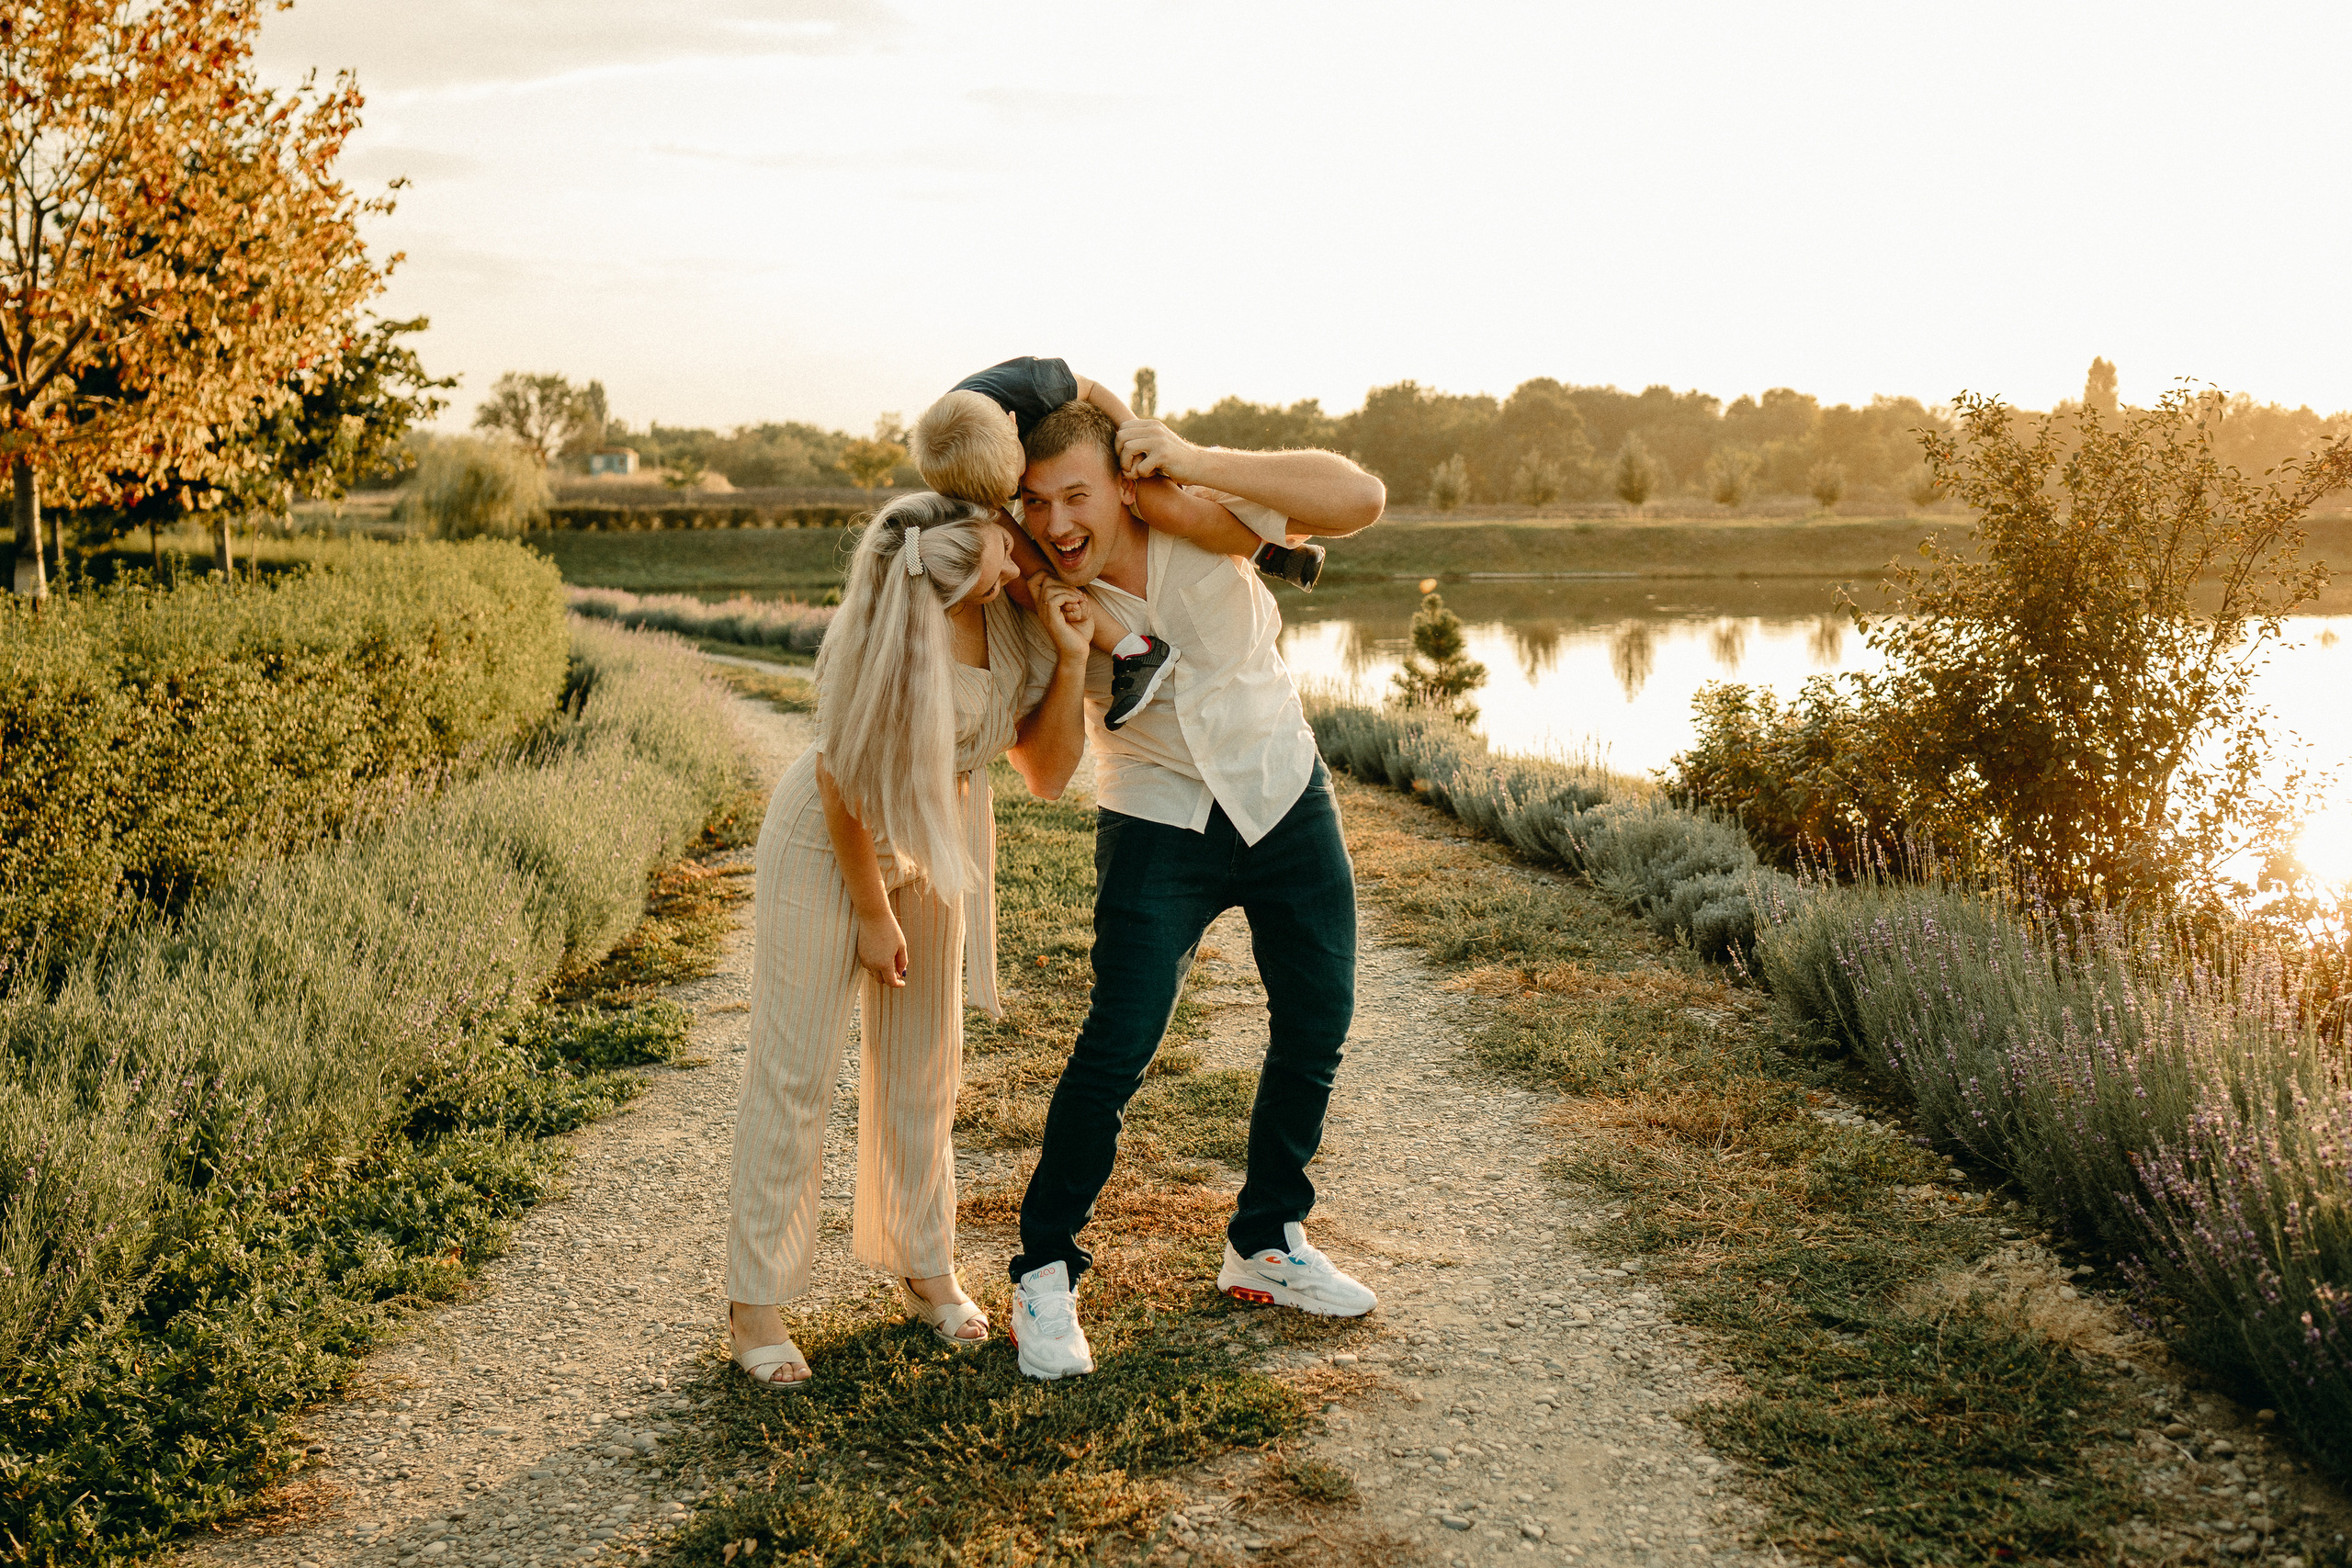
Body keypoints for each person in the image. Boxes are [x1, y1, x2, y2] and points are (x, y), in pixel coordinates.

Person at [998, 399, 1386, 1381]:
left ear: (1120, 482)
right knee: (1117, 1043)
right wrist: (1071, 652)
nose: (1056, 523)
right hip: (1156, 822)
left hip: (1280, 792)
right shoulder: (1036, 590)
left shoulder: (1198, 507)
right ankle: (1043, 1271)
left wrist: (1195, 454)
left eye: (1075, 495)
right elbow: (1043, 775)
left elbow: (1361, 498)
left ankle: (1265, 1243)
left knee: (1315, 1021)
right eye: (1035, 502)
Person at [724, 491, 1094, 1389]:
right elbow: (839, 775)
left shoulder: (1007, 621)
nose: (1022, 543)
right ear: (958, 560)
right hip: (833, 845)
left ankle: (925, 1271)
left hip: (940, 845)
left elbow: (1044, 768)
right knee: (797, 1069)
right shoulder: (896, 630)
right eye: (1001, 538)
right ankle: (756, 1307)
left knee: (928, 1068)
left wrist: (1073, 655)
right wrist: (871, 912)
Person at [910, 356, 1327, 731]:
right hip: (1032, 488)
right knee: (1030, 579)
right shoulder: (951, 463)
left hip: (1091, 457)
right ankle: (1134, 651)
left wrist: (1136, 438)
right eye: (1011, 492)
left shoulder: (1032, 383)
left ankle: (1269, 552)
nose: (1014, 493)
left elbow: (1091, 390)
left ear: (1014, 423)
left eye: (1014, 481)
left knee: (1168, 507)